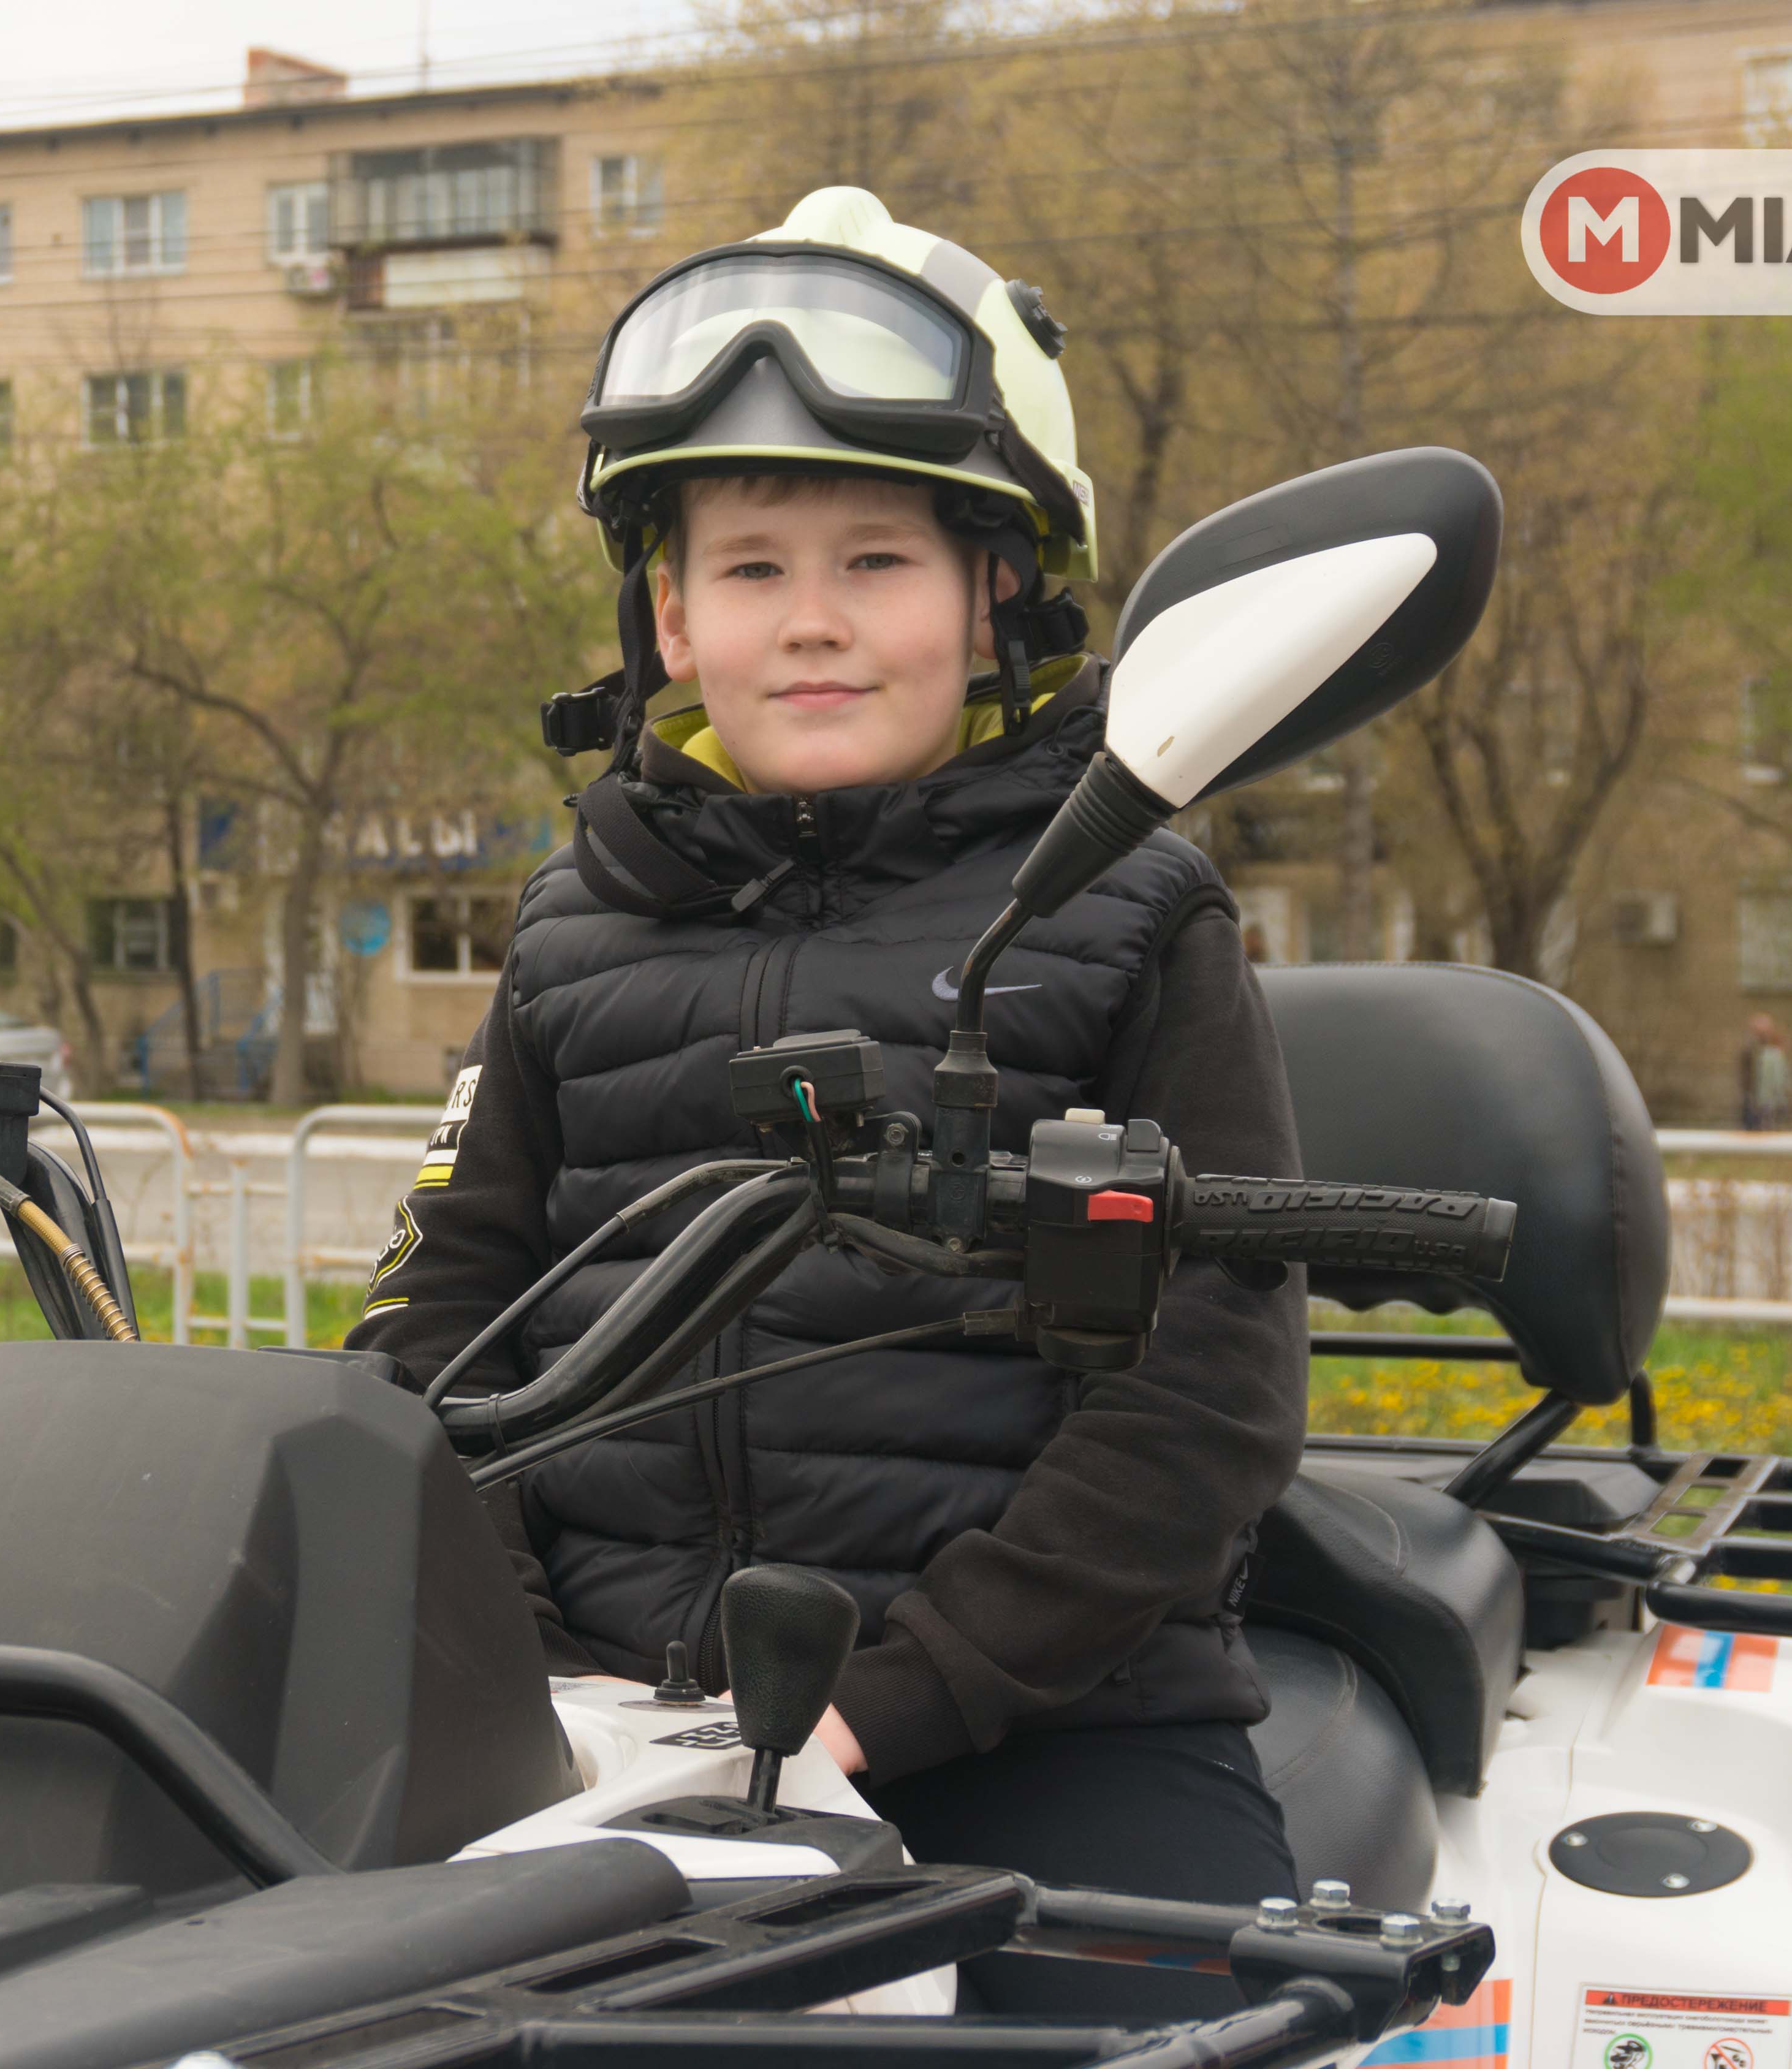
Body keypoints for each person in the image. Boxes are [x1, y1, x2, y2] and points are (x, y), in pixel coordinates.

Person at [346, 188, 1308, 2019]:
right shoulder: (571, 926)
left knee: (1210, 2036)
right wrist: (524, 1664)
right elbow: (435, 1330)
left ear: (991, 593)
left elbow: (1201, 1405)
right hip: (601, 1730)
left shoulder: (1129, 910)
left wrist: (899, 1699)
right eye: (749, 565)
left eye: (873, 561)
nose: (809, 623)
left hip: (1037, 1720)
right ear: (667, 616)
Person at [1739, 1013, 1792, 1131]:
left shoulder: (1772, 1054)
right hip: (1754, 1096)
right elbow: (1747, 1074)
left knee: (1766, 1126)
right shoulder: (1751, 1051)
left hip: (1766, 1099)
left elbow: (1779, 1078)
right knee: (1752, 1127)